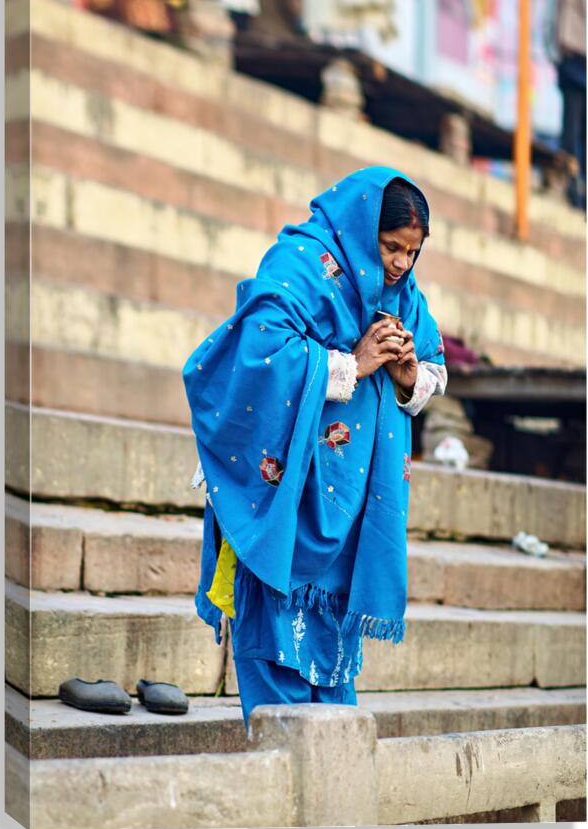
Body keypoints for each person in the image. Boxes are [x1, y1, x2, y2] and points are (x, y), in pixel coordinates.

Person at [183, 166, 447, 727]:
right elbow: (256, 354)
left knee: (332, 668)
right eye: (391, 247)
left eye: (412, 252)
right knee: (275, 648)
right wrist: (354, 362)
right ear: (359, 229)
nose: (400, 263)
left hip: (351, 507)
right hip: (288, 493)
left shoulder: (404, 293)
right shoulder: (301, 263)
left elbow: (433, 367)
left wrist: (406, 375)